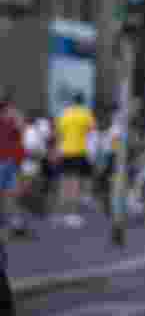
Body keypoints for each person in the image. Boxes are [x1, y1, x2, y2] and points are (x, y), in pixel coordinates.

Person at [54, 92, 96, 228]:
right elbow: (91, 131)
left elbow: (58, 133)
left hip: (65, 151)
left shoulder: (65, 113)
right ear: (82, 101)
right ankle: (72, 214)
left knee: (64, 182)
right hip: (79, 151)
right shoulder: (86, 114)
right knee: (76, 183)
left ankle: (61, 213)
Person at [0, 89, 27, 238]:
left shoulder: (11, 117)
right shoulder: (13, 116)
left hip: (9, 159)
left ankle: (14, 222)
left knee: (9, 192)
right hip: (10, 159)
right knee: (11, 193)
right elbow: (22, 129)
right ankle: (15, 223)